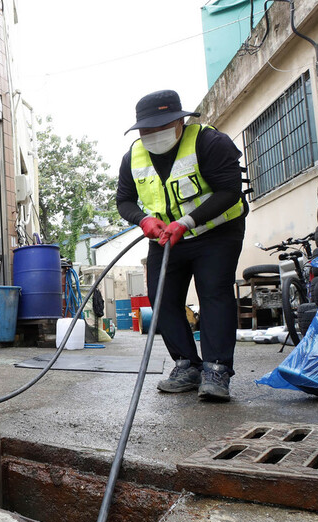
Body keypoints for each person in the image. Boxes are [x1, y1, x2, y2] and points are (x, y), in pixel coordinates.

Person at [115, 89, 247, 402]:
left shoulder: (210, 143)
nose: (153, 135)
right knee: (161, 298)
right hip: (165, 238)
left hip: (216, 232)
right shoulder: (133, 157)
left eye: (161, 128)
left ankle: (217, 369)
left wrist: (187, 222)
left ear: (180, 121)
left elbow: (230, 191)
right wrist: (144, 221)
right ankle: (187, 364)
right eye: (147, 130)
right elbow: (124, 200)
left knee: (213, 292)